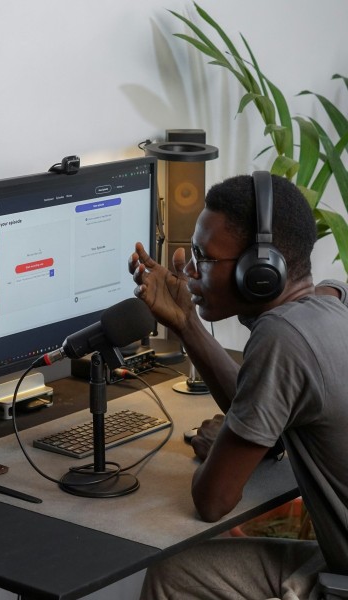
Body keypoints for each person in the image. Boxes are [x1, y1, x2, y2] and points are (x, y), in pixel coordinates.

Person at [128, 173, 348, 600]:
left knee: (172, 578)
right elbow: (275, 413)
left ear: (261, 271)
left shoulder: (281, 338)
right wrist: (186, 324)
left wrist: (225, 447)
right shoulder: (336, 299)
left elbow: (213, 500)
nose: (189, 271)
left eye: (203, 258)